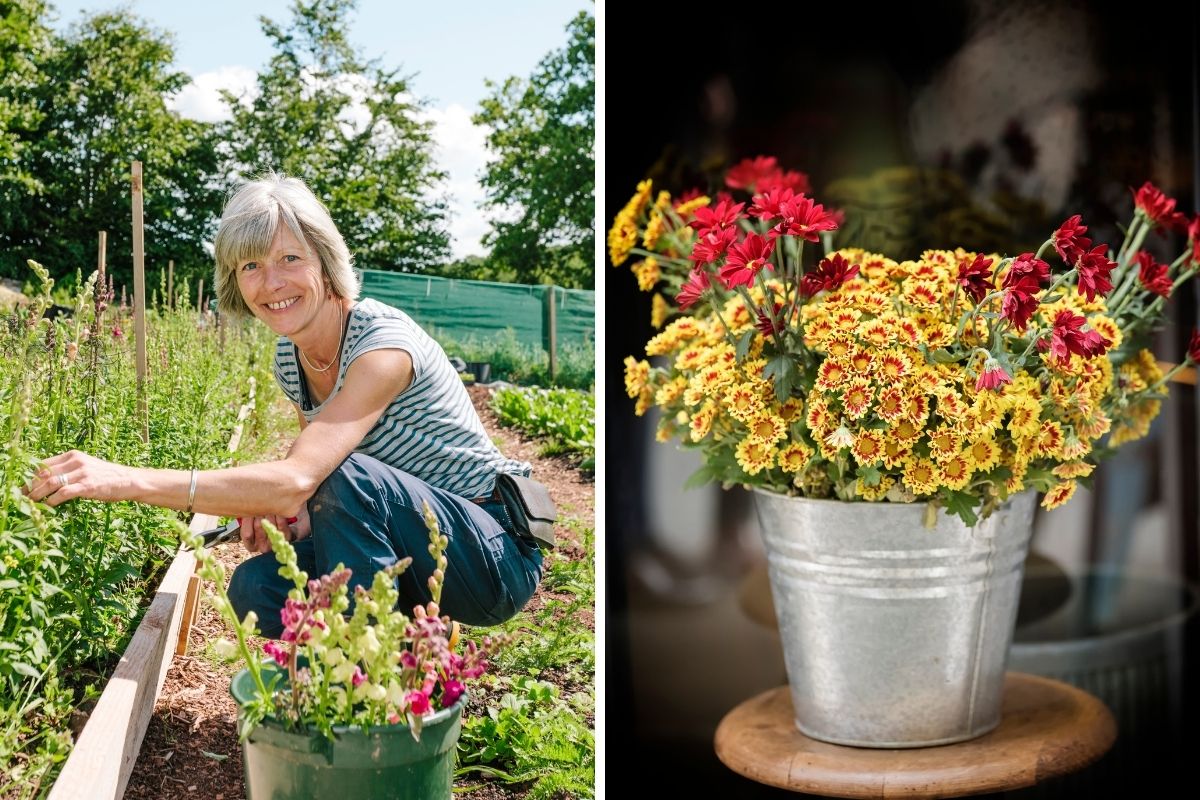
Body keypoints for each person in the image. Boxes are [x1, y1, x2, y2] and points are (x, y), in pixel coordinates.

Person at [25, 173, 544, 638]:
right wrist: (289, 519)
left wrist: (124, 480)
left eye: (289, 259)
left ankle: (366, 686)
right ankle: (403, 645)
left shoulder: (383, 348)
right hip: (415, 545)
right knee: (258, 589)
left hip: (491, 551)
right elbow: (309, 489)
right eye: (251, 264)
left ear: (324, 259)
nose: (271, 283)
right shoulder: (290, 355)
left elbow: (305, 476)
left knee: (347, 475)